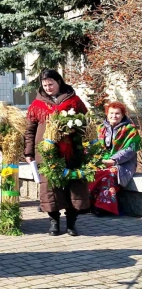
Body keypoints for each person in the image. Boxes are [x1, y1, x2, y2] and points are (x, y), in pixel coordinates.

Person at [24, 69, 89, 236]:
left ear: (58, 81)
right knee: (50, 187)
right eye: (45, 85)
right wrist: (29, 151)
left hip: (72, 151)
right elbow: (30, 130)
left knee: (72, 185)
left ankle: (71, 224)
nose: (48, 87)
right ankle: (53, 222)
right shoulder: (37, 105)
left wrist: (88, 145)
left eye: (50, 84)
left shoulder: (74, 100)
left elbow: (87, 124)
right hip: (46, 153)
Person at [89, 101, 140, 216]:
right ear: (107, 114)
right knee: (91, 172)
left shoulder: (130, 129)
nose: (114, 116)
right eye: (111, 113)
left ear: (122, 115)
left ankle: (104, 207)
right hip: (103, 161)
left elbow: (131, 149)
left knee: (109, 174)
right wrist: (97, 159)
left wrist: (113, 160)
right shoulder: (100, 129)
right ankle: (91, 203)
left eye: (117, 113)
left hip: (123, 163)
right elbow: (94, 147)